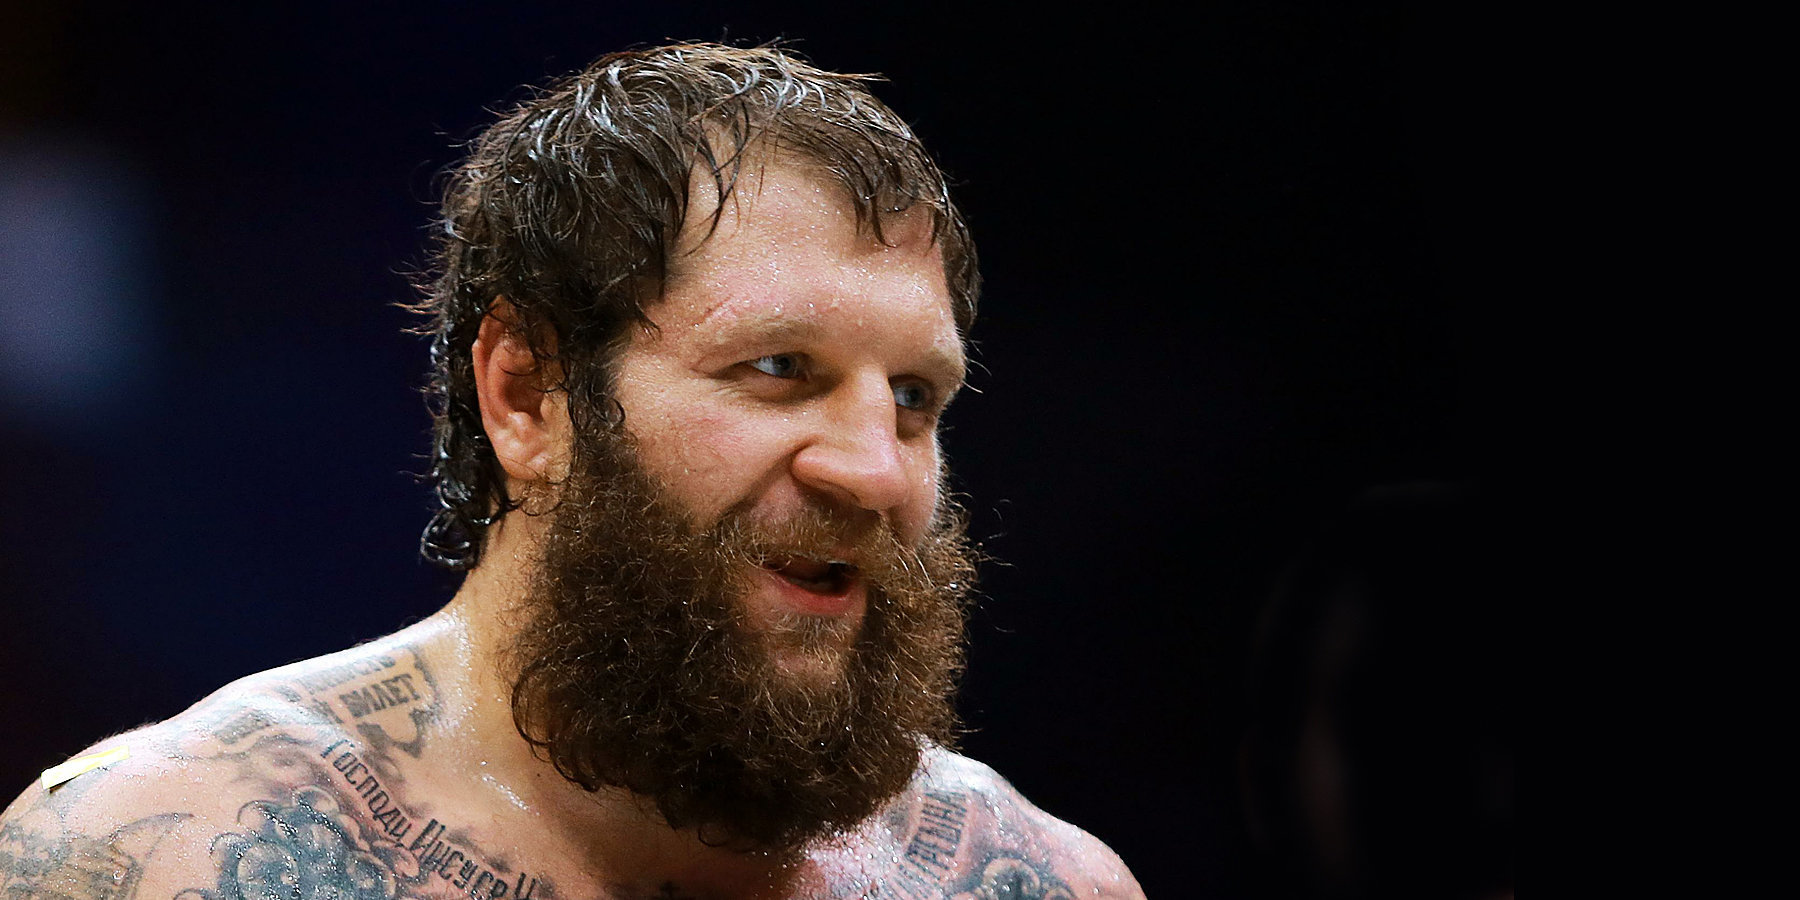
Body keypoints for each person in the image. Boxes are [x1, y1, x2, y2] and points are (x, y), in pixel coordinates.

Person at [0, 43, 1144, 899]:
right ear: (527, 394)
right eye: (779, 368)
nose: (875, 472)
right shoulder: (157, 858)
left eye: (914, 397)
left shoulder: (1037, 880)